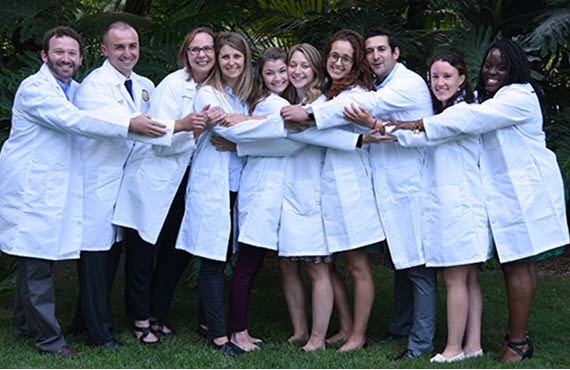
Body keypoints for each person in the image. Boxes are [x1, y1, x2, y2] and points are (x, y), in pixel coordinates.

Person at [386, 39, 568, 362]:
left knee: (518, 265)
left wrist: (416, 123)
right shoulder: (491, 98)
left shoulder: (518, 96)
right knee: (513, 265)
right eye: (489, 65)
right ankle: (513, 338)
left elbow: (467, 119)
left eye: (501, 66)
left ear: (516, 69)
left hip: (526, 192)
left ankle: (518, 342)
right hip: (505, 194)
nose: (493, 71)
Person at [0, 26, 166, 357]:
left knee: (37, 261)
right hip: (32, 190)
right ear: (45, 56)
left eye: (72, 53)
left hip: (54, 190)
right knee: (36, 263)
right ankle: (50, 341)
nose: (66, 58)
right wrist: (129, 125)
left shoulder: (74, 88)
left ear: (80, 57)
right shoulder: (35, 89)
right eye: (58, 52)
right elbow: (76, 122)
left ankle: (23, 324)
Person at [294, 27, 437, 360]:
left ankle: (420, 343)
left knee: (416, 267)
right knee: (403, 264)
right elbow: (367, 117)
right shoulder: (361, 89)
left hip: (409, 186)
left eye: (381, 50)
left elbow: (366, 105)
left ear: (396, 52)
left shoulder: (406, 84)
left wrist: (310, 114)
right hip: (384, 186)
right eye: (370, 51)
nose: (375, 56)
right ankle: (400, 328)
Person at [70, 20, 193, 347]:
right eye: (119, 47)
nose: (127, 53)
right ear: (104, 50)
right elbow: (136, 125)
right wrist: (184, 124)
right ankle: (100, 334)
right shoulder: (94, 86)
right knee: (97, 258)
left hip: (131, 183)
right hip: (101, 182)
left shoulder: (145, 85)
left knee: (112, 257)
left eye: (132, 46)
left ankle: (83, 321)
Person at [111, 27, 222, 343]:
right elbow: (158, 137)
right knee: (143, 254)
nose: (201, 55)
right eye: (194, 49)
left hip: (186, 183)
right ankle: (139, 318)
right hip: (154, 180)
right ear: (185, 54)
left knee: (175, 254)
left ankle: (158, 313)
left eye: (207, 49)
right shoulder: (173, 85)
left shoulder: (216, 89)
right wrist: (189, 129)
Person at [281, 29, 385, 353]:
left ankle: (359, 335)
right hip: (328, 187)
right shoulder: (327, 91)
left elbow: (340, 111)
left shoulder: (358, 93)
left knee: (357, 266)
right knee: (335, 264)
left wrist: (307, 114)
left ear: (356, 64)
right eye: (334, 55)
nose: (338, 62)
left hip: (350, 187)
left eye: (346, 58)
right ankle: (346, 327)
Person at [388, 51, 493, 362]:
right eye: (434, 76)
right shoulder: (450, 112)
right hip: (457, 206)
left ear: (462, 78)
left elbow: (424, 130)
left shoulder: (461, 113)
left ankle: (453, 348)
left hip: (459, 207)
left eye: (447, 76)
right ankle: (472, 346)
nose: (439, 82)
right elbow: (425, 135)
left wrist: (381, 125)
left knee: (454, 278)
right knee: (468, 277)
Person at [174, 31, 253, 357]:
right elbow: (225, 127)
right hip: (212, 187)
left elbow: (244, 132)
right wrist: (257, 127)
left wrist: (246, 128)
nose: (231, 62)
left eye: (237, 56)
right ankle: (220, 338)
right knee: (211, 261)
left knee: (222, 260)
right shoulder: (207, 93)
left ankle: (207, 322)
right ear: (218, 62)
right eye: (226, 57)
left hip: (235, 188)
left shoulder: (242, 98)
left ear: (246, 60)